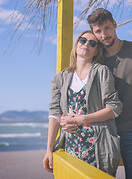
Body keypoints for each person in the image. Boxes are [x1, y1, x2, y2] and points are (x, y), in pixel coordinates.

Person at [61, 8, 132, 179]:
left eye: (107, 28)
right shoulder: (94, 60)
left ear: (115, 25)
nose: (103, 34)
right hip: (102, 133)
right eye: (98, 31)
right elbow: (75, 91)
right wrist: (68, 120)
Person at [43, 30, 123, 176]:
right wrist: (49, 149)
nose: (86, 44)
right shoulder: (59, 79)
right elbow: (55, 114)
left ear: (96, 51)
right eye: (83, 40)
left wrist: (81, 119)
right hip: (71, 148)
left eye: (92, 43)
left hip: (98, 148)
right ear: (76, 44)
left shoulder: (101, 72)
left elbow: (114, 108)